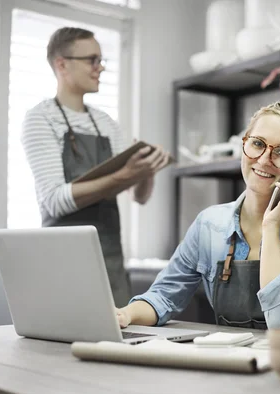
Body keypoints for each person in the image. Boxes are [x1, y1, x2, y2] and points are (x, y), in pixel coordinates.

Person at [116, 101, 280, 329]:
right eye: (257, 143)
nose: (263, 159)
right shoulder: (209, 225)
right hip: (234, 358)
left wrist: (271, 227)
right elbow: (163, 297)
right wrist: (125, 314)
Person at [21, 27, 170, 307]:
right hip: (61, 263)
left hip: (109, 261)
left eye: (101, 60)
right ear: (61, 64)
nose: (99, 67)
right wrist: (124, 174)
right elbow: (55, 201)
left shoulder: (106, 124)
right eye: (92, 60)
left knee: (118, 343)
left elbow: (138, 196)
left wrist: (145, 170)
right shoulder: (40, 119)